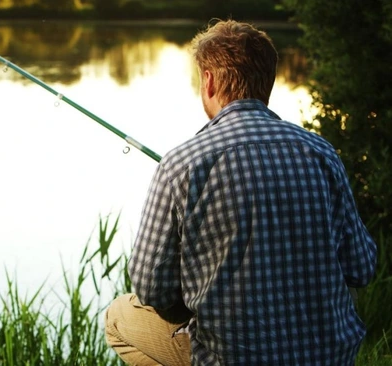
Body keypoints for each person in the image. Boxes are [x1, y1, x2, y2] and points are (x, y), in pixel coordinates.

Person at [105, 19, 377, 366]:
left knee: (117, 317)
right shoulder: (322, 153)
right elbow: (362, 267)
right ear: (268, 82)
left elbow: (151, 288)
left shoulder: (181, 164)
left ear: (209, 81)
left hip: (230, 359)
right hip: (328, 358)